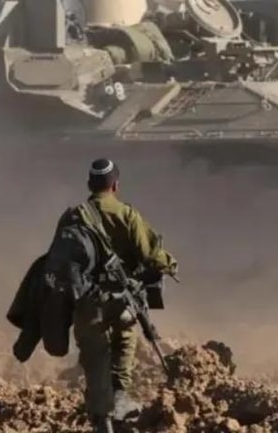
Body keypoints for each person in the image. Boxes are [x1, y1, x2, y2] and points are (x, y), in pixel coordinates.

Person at [70, 158, 178, 432]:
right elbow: (150, 253)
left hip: (85, 301)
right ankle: (118, 397)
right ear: (115, 185)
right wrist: (170, 264)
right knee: (125, 339)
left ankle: (100, 413)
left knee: (94, 356)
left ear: (89, 184)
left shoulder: (73, 217)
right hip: (119, 300)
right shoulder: (126, 214)